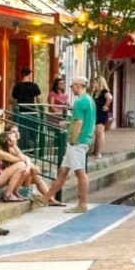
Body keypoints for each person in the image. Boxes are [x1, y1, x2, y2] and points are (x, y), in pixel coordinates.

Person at [43, 76, 95, 213]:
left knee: (80, 172)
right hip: (85, 139)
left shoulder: (79, 102)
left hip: (77, 142)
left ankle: (82, 204)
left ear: (78, 86)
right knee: (63, 171)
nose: (71, 89)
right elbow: (82, 121)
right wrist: (68, 124)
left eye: (72, 86)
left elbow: (79, 123)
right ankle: (45, 198)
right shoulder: (90, 100)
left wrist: (72, 140)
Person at [91, 76, 113, 157]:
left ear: (99, 83)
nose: (93, 84)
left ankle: (98, 152)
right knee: (96, 132)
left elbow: (110, 97)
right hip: (96, 113)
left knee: (100, 132)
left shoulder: (104, 91)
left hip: (102, 113)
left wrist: (106, 106)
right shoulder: (95, 92)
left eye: (94, 82)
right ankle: (95, 150)